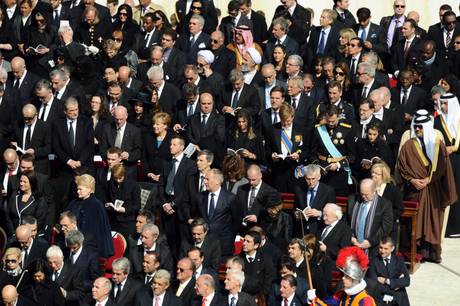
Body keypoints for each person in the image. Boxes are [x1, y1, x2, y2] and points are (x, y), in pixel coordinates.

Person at [398, 114, 457, 262]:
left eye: (420, 127)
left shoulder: (438, 145)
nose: (417, 129)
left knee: (433, 222)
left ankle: (432, 253)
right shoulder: (409, 145)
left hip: (433, 192)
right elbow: (402, 166)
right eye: (416, 126)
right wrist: (412, 180)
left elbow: (444, 168)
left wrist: (429, 179)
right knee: (415, 223)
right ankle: (416, 253)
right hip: (415, 191)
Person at [307, 247, 376, 306]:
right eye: (343, 275)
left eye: (347, 276)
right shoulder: (341, 294)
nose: (343, 278)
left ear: (355, 279)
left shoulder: (366, 300)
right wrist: (314, 299)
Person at [67, 174, 114, 258]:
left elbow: (96, 233)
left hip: (89, 250)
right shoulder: (73, 203)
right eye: (77, 189)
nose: (78, 191)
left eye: (80, 189)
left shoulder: (96, 206)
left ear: (89, 189)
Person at [434, 95, 460, 238]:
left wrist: (454, 148)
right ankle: (446, 227)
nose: (442, 107)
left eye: (445, 104)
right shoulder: (437, 121)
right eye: (441, 103)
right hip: (444, 162)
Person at [348, 179, 393, 258]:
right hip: (352, 245)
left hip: (373, 249)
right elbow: (346, 221)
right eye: (362, 194)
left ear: (374, 191)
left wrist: (370, 241)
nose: (363, 197)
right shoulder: (353, 199)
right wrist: (350, 237)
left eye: (366, 194)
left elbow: (385, 228)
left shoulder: (384, 204)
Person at [293, 164, 336, 236]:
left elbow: (333, 215)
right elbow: (295, 208)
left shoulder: (328, 191)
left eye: (313, 179)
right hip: (302, 231)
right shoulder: (299, 189)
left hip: (319, 231)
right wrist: (297, 214)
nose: (310, 182)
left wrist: (319, 213)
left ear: (319, 177)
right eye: (308, 179)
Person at [366, 237, 410, 306]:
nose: (382, 251)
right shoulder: (373, 262)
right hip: (382, 300)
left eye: (386, 248)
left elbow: (407, 281)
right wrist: (397, 283)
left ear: (392, 248)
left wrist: (387, 281)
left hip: (400, 300)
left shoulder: (399, 261)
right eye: (381, 248)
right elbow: (373, 285)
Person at [370, 162, 404, 245]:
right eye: (372, 172)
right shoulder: (368, 187)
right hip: (370, 222)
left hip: (386, 224)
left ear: (383, 175)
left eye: (377, 173)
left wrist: (386, 217)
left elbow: (399, 209)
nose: (373, 175)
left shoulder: (393, 191)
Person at [5, 170, 47, 236]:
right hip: (14, 234)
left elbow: (39, 221)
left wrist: (25, 234)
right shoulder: (14, 194)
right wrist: (13, 232)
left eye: (25, 182)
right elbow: (8, 216)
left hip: (31, 236)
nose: (21, 183)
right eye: (21, 181)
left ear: (32, 183)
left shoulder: (39, 199)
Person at [104, 164, 140, 238]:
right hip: (113, 220)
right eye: (115, 178)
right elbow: (106, 199)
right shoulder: (110, 184)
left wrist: (125, 209)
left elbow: (137, 206)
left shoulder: (133, 185)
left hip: (127, 221)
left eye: (120, 178)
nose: (118, 180)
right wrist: (107, 205)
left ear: (124, 175)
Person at [239, 231, 275, 297]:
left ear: (256, 245)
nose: (244, 243)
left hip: (259, 296)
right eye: (244, 240)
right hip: (242, 296)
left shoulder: (265, 259)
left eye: (248, 241)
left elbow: (269, 279)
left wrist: (261, 296)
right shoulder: (238, 259)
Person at [142, 112, 175, 183]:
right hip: (149, 178)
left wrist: (163, 174)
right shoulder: (148, 137)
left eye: (157, 124)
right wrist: (148, 173)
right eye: (154, 124)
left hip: (166, 178)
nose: (154, 126)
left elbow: (174, 159)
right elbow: (144, 157)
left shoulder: (173, 138)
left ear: (165, 125)